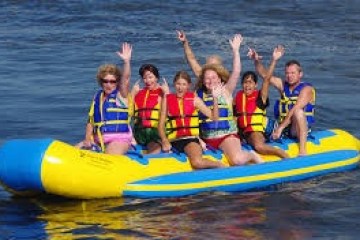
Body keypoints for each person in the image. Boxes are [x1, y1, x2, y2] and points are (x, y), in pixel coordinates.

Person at [195, 34, 263, 166]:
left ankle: (252, 155)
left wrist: (236, 51)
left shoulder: (226, 91)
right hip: (206, 138)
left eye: (214, 78)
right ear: (203, 81)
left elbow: (236, 71)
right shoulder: (198, 95)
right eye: (207, 78)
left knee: (237, 160)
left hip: (227, 137)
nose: (211, 81)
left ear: (220, 79)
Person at [250, 47, 315, 156]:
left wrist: (280, 128)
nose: (289, 76)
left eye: (293, 73)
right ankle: (251, 144)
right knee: (256, 118)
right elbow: (265, 75)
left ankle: (303, 150)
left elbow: (294, 109)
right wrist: (256, 61)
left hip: (296, 129)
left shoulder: (307, 90)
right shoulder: (282, 85)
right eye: (287, 73)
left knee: (298, 112)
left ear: (300, 74)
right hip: (282, 126)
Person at [158, 70, 225, 169]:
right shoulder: (167, 100)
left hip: (190, 140)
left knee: (196, 162)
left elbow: (214, 118)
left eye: (184, 84)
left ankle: (219, 165)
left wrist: (215, 98)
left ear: (188, 85)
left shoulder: (195, 100)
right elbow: (160, 125)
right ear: (174, 84)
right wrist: (164, 140)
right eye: (178, 84)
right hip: (173, 141)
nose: (180, 88)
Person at [76, 42, 133, 155]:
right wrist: (87, 139)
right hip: (98, 140)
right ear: (101, 82)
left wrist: (126, 62)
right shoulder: (97, 97)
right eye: (105, 81)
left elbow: (125, 80)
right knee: (74, 151)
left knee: (109, 156)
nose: (108, 84)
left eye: (112, 81)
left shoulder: (121, 95)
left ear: (117, 83)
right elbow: (90, 121)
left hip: (119, 140)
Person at [234, 45, 289, 159]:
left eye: (250, 82)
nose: (247, 85)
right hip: (244, 133)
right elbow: (234, 117)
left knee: (258, 146)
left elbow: (267, 79)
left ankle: (282, 154)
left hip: (257, 131)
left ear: (255, 85)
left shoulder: (260, 96)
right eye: (245, 82)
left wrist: (274, 60)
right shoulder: (238, 97)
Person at [131, 64, 169, 154]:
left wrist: (167, 94)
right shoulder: (139, 93)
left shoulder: (161, 93)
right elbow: (128, 112)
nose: (147, 81)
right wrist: (132, 94)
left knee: (154, 148)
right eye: (144, 78)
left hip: (155, 134)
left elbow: (170, 113)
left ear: (156, 78)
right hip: (139, 134)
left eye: (150, 77)